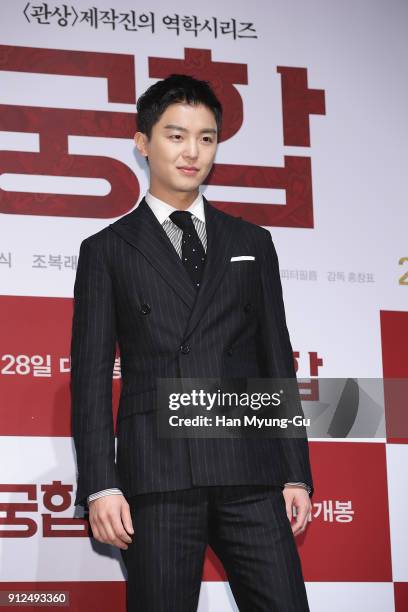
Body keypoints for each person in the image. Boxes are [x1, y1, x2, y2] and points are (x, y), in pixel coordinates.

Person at [70, 73, 314, 611]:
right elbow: (88, 378)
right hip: (160, 475)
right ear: (143, 143)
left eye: (206, 138)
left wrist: (295, 470)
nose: (192, 152)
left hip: (250, 470)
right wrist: (100, 486)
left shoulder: (253, 241)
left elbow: (277, 359)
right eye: (176, 135)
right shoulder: (107, 249)